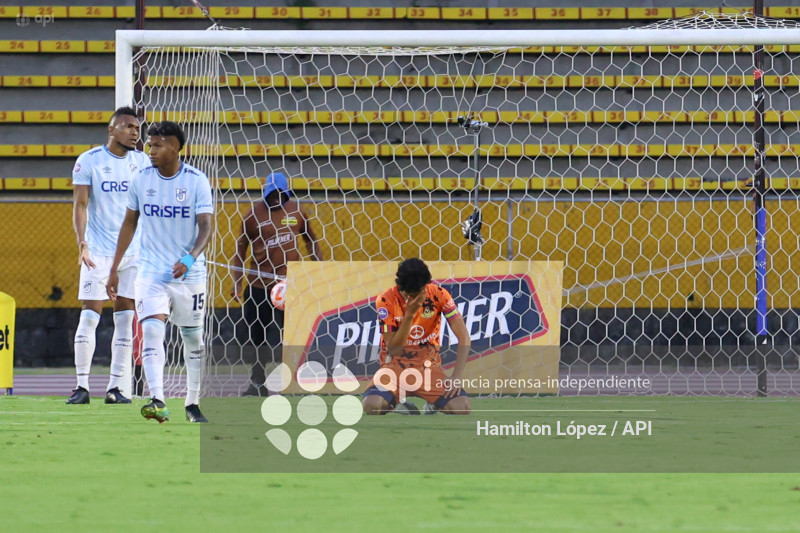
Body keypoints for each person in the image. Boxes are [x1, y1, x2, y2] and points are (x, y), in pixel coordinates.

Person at [107, 121, 214, 423]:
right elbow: (129, 223)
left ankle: (192, 403)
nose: (150, 150)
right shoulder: (141, 180)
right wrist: (114, 267)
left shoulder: (196, 181)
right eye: (150, 144)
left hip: (188, 274)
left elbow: (206, 227)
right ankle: (158, 400)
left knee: (193, 339)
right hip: (151, 272)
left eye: (157, 145)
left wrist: (191, 258)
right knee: (152, 331)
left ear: (176, 147)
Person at [66, 106, 150, 405]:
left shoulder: (142, 162)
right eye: (127, 126)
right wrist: (82, 242)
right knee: (89, 316)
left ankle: (116, 388)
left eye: (137, 128)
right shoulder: (89, 161)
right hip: (98, 252)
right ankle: (82, 386)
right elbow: (80, 204)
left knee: (126, 320)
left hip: (133, 254)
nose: (134, 131)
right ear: (111, 130)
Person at [231, 172, 322, 396]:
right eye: (271, 195)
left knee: (290, 335)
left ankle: (290, 382)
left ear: (286, 193)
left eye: (280, 194)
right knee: (257, 336)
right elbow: (240, 250)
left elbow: (311, 240)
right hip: (259, 285)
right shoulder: (252, 215)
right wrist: (237, 282)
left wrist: (318, 269)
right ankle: (258, 382)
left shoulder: (296, 211)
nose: (275, 199)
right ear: (264, 194)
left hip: (290, 285)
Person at [362, 258, 472, 415]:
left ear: (426, 285)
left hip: (428, 368)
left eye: (418, 293)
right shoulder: (386, 300)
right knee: (371, 406)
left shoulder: (439, 295)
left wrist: (456, 377)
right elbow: (393, 349)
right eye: (408, 295)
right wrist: (410, 315)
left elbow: (464, 338)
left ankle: (433, 403)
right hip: (394, 368)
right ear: (399, 286)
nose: (412, 300)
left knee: (462, 407)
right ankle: (397, 402)